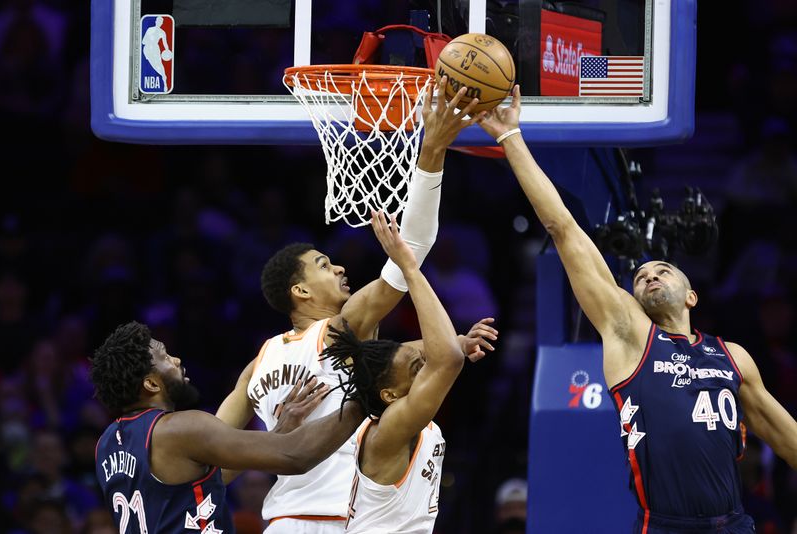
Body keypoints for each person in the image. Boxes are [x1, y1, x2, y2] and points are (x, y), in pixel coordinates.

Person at [478, 87, 797, 534]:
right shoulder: (631, 335)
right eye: (641, 275)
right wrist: (510, 135)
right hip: (663, 526)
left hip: (733, 525)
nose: (649, 276)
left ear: (691, 295)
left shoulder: (734, 356)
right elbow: (563, 228)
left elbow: (785, 437)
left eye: (663, 269)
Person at [215, 78, 491, 533]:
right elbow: (412, 251)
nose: (340, 267)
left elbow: (217, 466)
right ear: (300, 292)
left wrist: (276, 436)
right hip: (339, 517)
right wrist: (432, 153)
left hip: (284, 520)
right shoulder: (341, 328)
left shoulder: (258, 364)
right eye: (323, 265)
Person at [90, 321, 364, 534]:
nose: (176, 360)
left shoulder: (106, 445)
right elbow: (296, 456)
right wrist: (364, 401)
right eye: (164, 357)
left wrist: (278, 433)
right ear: (151, 384)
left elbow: (201, 483)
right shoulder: (181, 429)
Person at [321, 210, 498, 533]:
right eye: (416, 368)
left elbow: (438, 351)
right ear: (389, 393)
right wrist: (410, 268)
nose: (425, 365)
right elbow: (445, 359)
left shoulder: (394, 410)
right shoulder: (390, 428)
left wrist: (458, 341)